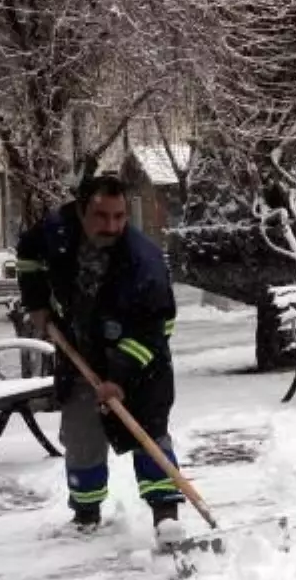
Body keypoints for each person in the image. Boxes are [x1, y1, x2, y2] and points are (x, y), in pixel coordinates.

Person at [16, 174, 184, 536]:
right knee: (80, 434)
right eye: (101, 216)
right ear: (80, 210)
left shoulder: (144, 261)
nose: (112, 226)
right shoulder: (56, 231)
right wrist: (36, 303)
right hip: (81, 348)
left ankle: (166, 516)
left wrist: (119, 379)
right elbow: (28, 253)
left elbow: (155, 329)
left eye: (120, 216)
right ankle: (86, 514)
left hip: (140, 359)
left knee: (148, 433)